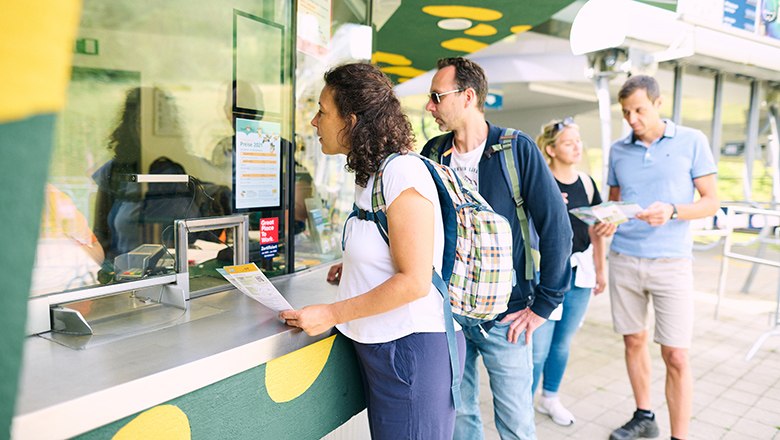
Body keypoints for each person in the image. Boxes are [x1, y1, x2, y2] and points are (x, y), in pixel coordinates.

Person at [280, 63, 466, 440]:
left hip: (411, 353)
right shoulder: (373, 175)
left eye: (322, 111)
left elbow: (415, 282)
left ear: (350, 121)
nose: (314, 122)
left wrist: (330, 313)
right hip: (387, 352)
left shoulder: (402, 173)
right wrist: (352, 267)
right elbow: (390, 251)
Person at [420, 57, 573, 440]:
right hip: (449, 315)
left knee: (516, 424)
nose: (430, 107)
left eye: (437, 97)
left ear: (468, 96)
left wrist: (543, 305)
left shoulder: (515, 149)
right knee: (460, 416)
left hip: (508, 318)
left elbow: (556, 228)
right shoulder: (433, 154)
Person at [603, 75, 718, 440]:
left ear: (658, 103)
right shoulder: (618, 150)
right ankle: (644, 417)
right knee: (633, 341)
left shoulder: (692, 141)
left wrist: (671, 210)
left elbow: (711, 202)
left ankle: (679, 436)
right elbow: (615, 202)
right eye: (626, 112)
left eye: (639, 109)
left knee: (676, 356)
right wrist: (607, 219)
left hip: (671, 263)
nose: (632, 118)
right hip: (624, 259)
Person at [531, 118, 607, 426]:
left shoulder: (587, 183)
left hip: (580, 274)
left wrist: (601, 271)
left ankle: (550, 398)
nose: (577, 147)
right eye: (568, 142)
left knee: (562, 343)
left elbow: (597, 228)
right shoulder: (540, 182)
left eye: (578, 141)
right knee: (537, 347)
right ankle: (522, 403)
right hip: (546, 274)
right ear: (550, 149)